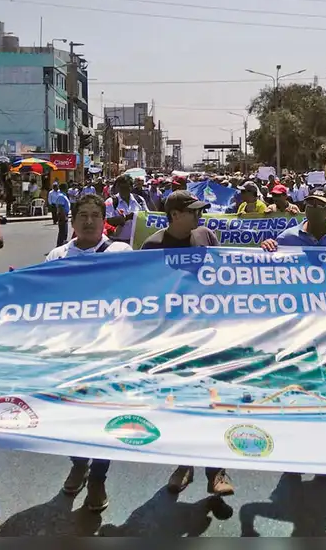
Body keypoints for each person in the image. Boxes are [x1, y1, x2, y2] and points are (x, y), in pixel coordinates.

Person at [140, 192, 230, 495]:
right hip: (172, 340)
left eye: (201, 210)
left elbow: (226, 272)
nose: (199, 216)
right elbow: (144, 293)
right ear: (175, 215)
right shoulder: (152, 247)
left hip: (208, 334)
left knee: (212, 401)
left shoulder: (206, 236)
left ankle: (217, 471)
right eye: (193, 212)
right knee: (178, 404)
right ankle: (183, 464)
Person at [45, 195, 131, 510]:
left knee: (104, 414)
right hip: (68, 352)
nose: (89, 221)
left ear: (104, 219)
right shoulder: (57, 256)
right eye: (83, 215)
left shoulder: (121, 252)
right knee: (70, 415)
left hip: (110, 351)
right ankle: (79, 462)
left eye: (96, 215)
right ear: (73, 219)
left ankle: (98, 478)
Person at [261, 189, 326, 249]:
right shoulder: (287, 238)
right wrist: (267, 247)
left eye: (321, 205)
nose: (314, 209)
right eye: (310, 204)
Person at [105, 175, 147, 244]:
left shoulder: (140, 200)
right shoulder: (110, 202)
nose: (123, 190)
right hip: (116, 242)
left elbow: (147, 216)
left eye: (126, 188)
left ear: (131, 187)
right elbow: (106, 222)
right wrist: (126, 218)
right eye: (120, 188)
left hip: (135, 242)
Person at [54, 183, 72, 248]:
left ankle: (62, 245)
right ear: (64, 188)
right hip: (62, 215)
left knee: (64, 232)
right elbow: (60, 207)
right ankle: (60, 246)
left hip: (64, 215)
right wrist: (64, 217)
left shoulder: (63, 195)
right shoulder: (61, 196)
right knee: (62, 232)